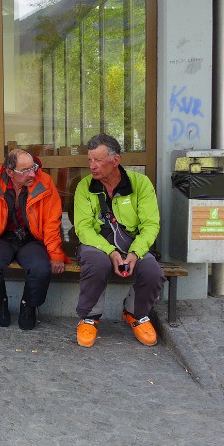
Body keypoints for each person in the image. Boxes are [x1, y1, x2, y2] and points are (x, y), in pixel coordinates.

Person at [0, 149, 69, 338]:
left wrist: (55, 254)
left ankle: (29, 305)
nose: (32, 174)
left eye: (33, 168)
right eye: (25, 170)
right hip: (2, 237)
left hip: (32, 238)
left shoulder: (44, 183)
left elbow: (52, 223)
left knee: (40, 268)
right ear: (10, 172)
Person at [73, 133, 166, 347]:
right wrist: (110, 252)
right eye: (90, 160)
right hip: (96, 243)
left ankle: (135, 312)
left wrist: (135, 252)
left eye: (98, 160)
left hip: (132, 243)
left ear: (116, 161)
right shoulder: (84, 187)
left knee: (153, 272)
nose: (92, 166)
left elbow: (151, 224)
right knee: (97, 264)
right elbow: (83, 228)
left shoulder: (140, 184)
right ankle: (89, 316)